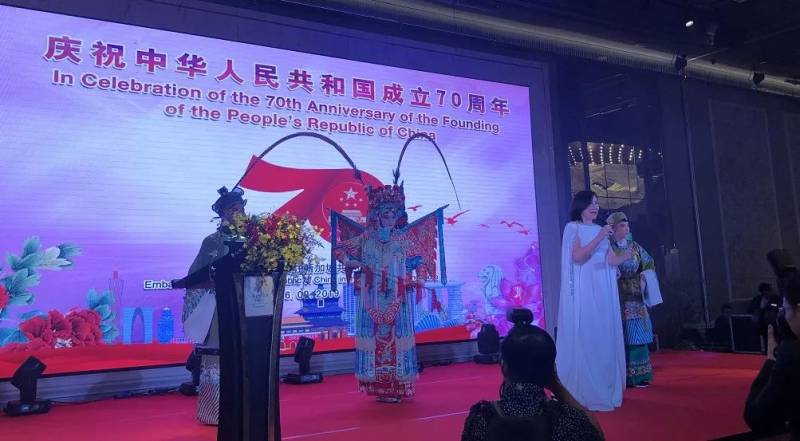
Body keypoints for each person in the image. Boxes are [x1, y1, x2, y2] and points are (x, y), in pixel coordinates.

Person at [333, 184, 424, 403]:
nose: (390, 218)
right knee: (374, 341)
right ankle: (378, 387)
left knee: (397, 340)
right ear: (378, 216)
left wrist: (419, 278)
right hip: (371, 295)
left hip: (397, 296)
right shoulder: (366, 238)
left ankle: (398, 386)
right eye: (386, 214)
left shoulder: (404, 239)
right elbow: (339, 249)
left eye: (393, 214)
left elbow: (418, 260)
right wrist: (350, 261)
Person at [461, 308, 604, 441]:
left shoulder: (482, 420)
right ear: (551, 370)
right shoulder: (567, 421)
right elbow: (596, 434)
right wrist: (556, 386)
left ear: (504, 367)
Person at [555, 191, 629, 411]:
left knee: (603, 334)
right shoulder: (574, 228)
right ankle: (586, 389)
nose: (595, 207)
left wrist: (625, 254)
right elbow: (577, 257)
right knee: (588, 333)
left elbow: (609, 260)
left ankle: (604, 384)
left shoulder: (600, 229)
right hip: (584, 291)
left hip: (603, 290)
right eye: (591, 203)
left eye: (597, 203)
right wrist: (598, 238)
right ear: (581, 206)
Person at [181, 186, 246, 425]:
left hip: (248, 306)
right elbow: (195, 274)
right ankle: (214, 413)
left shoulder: (256, 239)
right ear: (223, 213)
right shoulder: (212, 242)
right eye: (233, 209)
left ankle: (244, 408)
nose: (239, 213)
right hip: (220, 307)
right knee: (217, 357)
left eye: (241, 209)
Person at [606, 212, 662, 388]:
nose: (626, 228)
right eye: (622, 226)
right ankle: (623, 376)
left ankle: (640, 375)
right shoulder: (609, 247)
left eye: (627, 225)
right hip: (618, 294)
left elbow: (649, 262)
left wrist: (645, 276)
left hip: (636, 294)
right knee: (621, 335)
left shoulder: (635, 246)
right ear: (613, 228)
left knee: (638, 334)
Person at [744, 271, 800, 440]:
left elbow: (757, 417)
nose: (784, 317)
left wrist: (771, 360)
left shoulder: (791, 353)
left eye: (785, 309)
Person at [749, 283, 781, 353]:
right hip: (762, 328)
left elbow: (778, 307)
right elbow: (751, 310)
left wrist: (769, 307)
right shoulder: (757, 299)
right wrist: (760, 309)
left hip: (775, 328)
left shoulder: (776, 298)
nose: (767, 294)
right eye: (764, 292)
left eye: (769, 291)